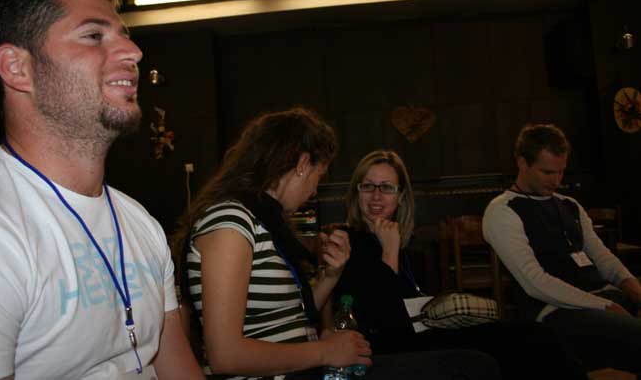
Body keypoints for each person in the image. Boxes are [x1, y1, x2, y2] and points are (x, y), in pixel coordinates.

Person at [0, 0, 204, 379]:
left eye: (125, 36)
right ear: (17, 68)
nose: (134, 52)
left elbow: (177, 368)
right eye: (93, 36)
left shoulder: (138, 222)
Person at [179, 108, 501, 380]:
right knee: (471, 368)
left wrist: (330, 276)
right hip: (293, 373)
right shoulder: (230, 222)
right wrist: (324, 351)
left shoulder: (263, 221)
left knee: (476, 361)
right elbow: (226, 356)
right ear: (302, 164)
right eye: (319, 176)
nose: (314, 191)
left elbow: (295, 313)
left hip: (307, 367)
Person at [336, 149, 587, 380]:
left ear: (400, 196)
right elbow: (383, 320)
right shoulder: (347, 240)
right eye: (368, 186)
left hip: (422, 333)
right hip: (387, 346)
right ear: (357, 193)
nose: (376, 195)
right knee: (515, 347)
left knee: (535, 335)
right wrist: (389, 251)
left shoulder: (395, 237)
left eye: (386, 187)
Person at [483, 123, 641, 374]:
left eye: (561, 172)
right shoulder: (502, 210)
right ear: (522, 163)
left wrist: (633, 287)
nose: (557, 181)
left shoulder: (570, 205)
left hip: (602, 298)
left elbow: (603, 257)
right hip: (557, 310)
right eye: (547, 172)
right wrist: (601, 305)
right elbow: (535, 282)